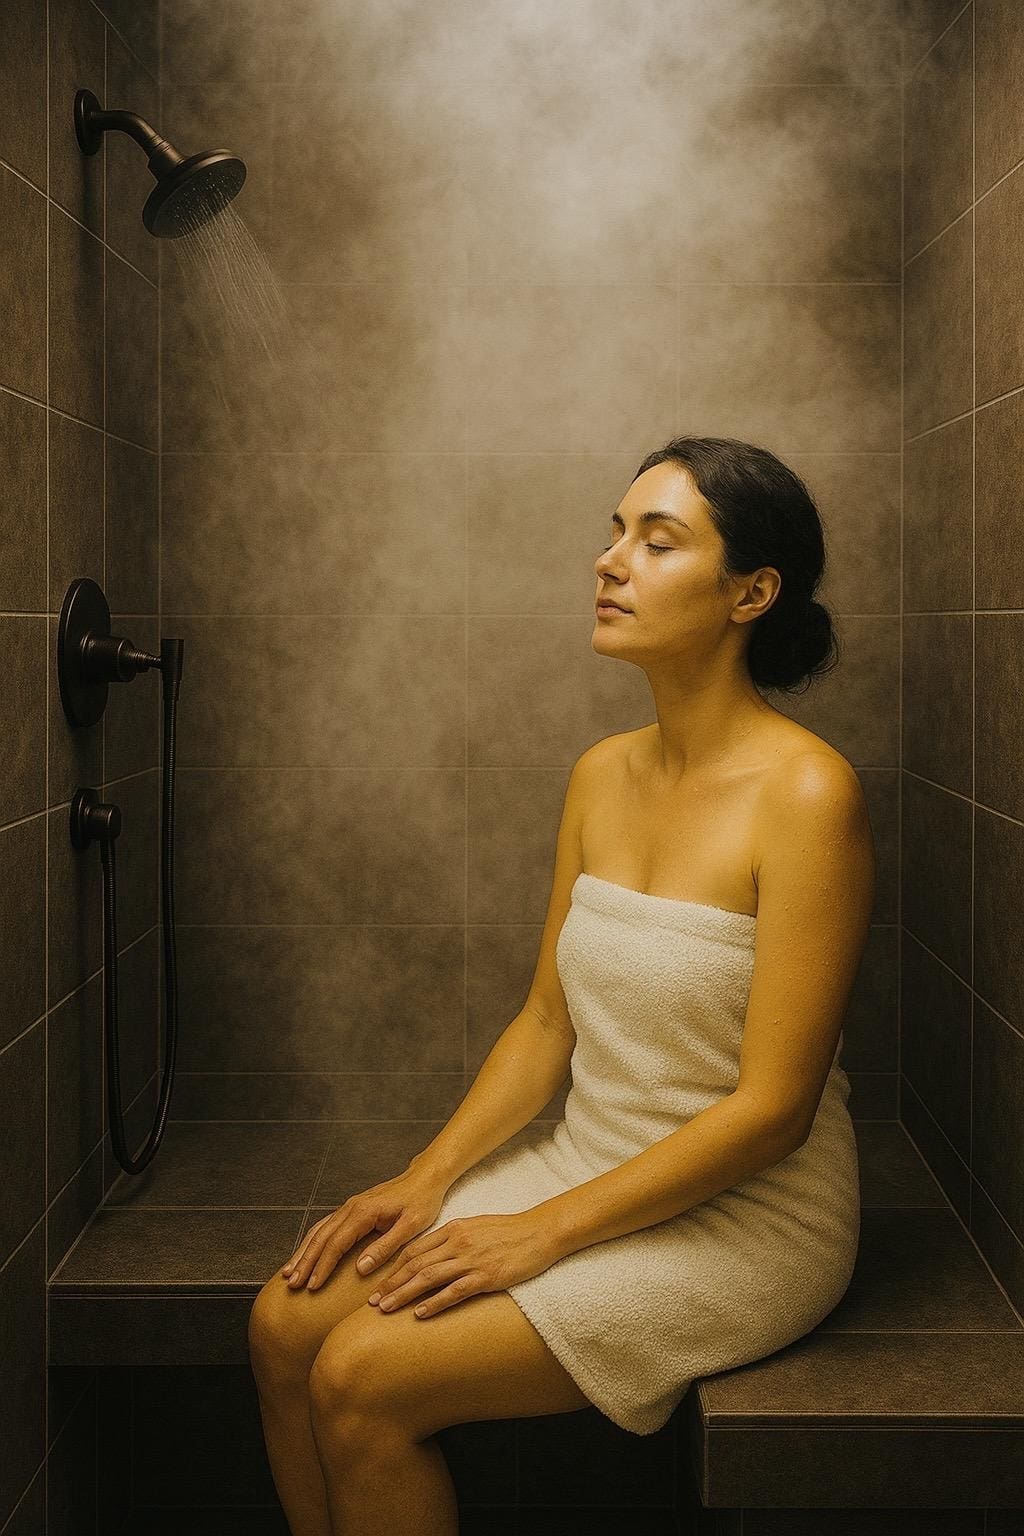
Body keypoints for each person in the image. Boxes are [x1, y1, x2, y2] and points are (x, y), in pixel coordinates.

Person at [247, 434, 875, 1536]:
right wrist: (428, 1179)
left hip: (748, 1214)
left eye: (657, 541)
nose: (609, 559)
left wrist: (542, 1231)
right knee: (283, 1326)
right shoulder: (601, 774)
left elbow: (774, 1113)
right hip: (592, 1160)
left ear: (751, 593)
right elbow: (546, 1023)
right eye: (615, 531)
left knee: (363, 1377)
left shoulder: (808, 795)